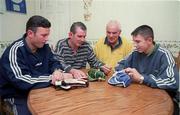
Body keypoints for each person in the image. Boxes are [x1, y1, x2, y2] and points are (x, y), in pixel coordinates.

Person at [0, 15, 70, 115]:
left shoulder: (45, 47)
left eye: (47, 35)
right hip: (17, 95)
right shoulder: (15, 51)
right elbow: (22, 80)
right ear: (30, 33)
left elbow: (54, 61)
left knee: (62, 107)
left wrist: (57, 71)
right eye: (43, 35)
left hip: (41, 91)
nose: (46, 39)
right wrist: (52, 78)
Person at [115, 25, 179, 115]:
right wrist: (126, 71)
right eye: (134, 42)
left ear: (149, 40)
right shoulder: (135, 53)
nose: (135, 45)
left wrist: (142, 78)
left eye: (138, 42)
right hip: (141, 99)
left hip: (163, 102)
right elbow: (119, 65)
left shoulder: (164, 55)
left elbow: (173, 83)